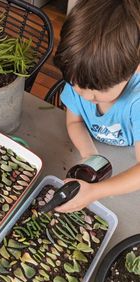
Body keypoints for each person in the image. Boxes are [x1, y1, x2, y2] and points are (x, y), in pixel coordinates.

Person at [53, 0, 140, 213]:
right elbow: (74, 121)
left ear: (134, 69)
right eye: (76, 86)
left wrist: (94, 192)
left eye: (97, 90)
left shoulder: (136, 102)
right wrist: (91, 157)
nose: (85, 95)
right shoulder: (83, 76)